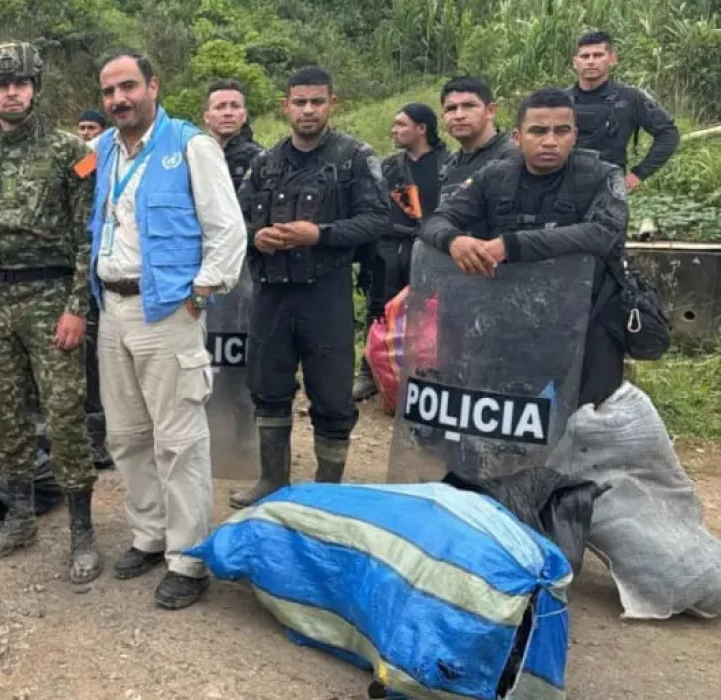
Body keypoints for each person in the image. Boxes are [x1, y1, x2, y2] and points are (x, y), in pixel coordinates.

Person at [92, 51, 246, 609]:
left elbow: (228, 230)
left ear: (153, 86)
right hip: (112, 308)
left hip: (168, 312)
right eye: (109, 92)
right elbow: (49, 163)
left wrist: (200, 294)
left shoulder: (190, 146)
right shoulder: (103, 149)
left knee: (179, 440)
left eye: (128, 87)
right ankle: (150, 535)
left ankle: (190, 557)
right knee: (127, 435)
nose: (118, 100)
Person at [0, 40, 100, 580]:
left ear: (35, 88)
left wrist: (78, 306)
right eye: (1, 85)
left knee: (64, 415)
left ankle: (82, 528)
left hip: (51, 299)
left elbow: (89, 236)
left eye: (20, 84)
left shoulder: (69, 153)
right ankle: (19, 515)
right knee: (5, 411)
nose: (11, 93)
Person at [232, 67, 387, 508]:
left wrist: (319, 234)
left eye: (317, 101)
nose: (307, 110)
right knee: (267, 386)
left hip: (327, 293)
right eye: (299, 102)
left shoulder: (354, 157)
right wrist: (254, 237)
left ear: (332, 104)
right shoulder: (266, 162)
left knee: (333, 393)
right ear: (285, 106)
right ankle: (272, 480)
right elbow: (235, 220)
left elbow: (377, 219)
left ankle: (326, 493)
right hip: (272, 294)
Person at [421, 88, 628, 406]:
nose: (549, 140)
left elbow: (604, 233)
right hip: (512, 318)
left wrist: (511, 245)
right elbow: (435, 221)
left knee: (586, 423)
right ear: (518, 137)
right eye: (538, 131)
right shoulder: (493, 177)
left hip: (587, 319)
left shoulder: (603, 176)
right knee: (497, 415)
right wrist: (454, 241)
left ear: (574, 135)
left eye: (561, 131)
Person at [353, 103, 446, 401]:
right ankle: (371, 372)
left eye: (401, 124)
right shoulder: (388, 167)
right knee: (379, 310)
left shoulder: (448, 164)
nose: (394, 130)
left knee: (430, 313)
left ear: (422, 129)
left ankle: (427, 379)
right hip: (389, 249)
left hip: (430, 248)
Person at [568, 30, 679, 190]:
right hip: (563, 189)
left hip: (609, 189)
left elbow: (668, 133)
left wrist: (638, 175)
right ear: (575, 62)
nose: (591, 61)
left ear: (612, 59)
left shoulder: (630, 98)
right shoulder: (560, 100)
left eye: (598, 55)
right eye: (585, 56)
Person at [441, 76, 520, 189]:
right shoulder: (448, 164)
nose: (459, 116)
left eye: (469, 106)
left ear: (490, 111)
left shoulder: (512, 158)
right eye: (451, 108)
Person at [202, 79, 263, 188]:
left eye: (235, 106)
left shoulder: (259, 158)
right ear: (206, 117)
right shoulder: (194, 155)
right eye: (220, 107)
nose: (228, 113)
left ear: (244, 116)